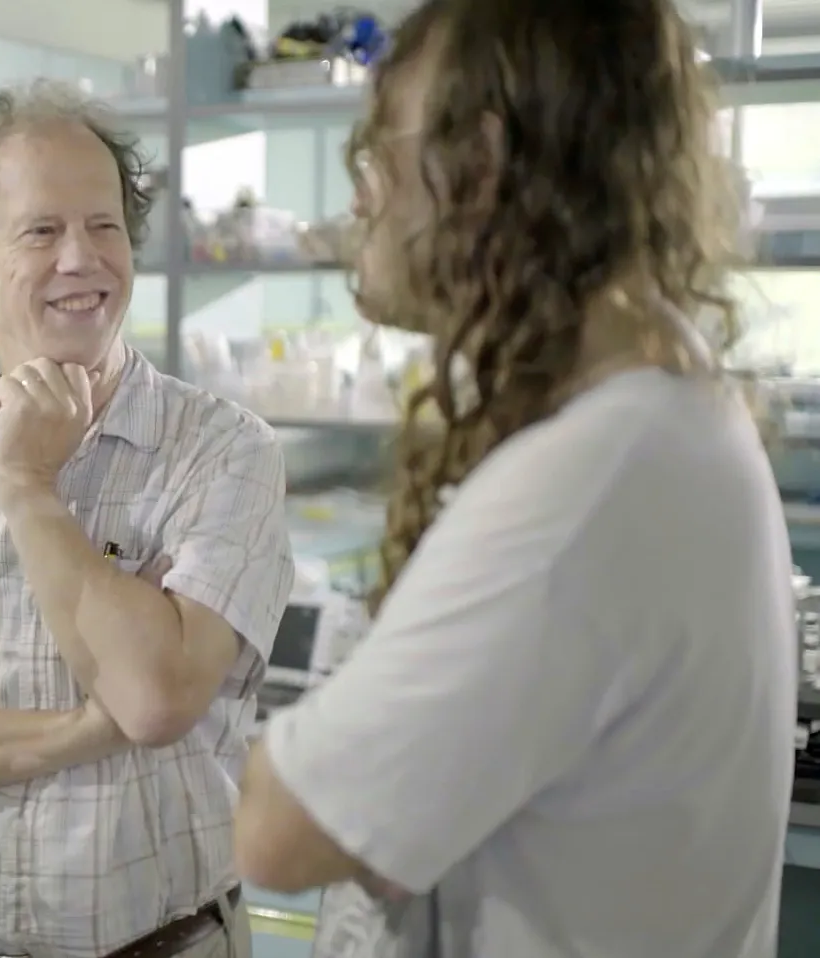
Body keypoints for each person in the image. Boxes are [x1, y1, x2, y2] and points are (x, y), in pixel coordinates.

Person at [230, 1, 794, 956]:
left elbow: (280, 829)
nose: (362, 198)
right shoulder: (663, 404)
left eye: (381, 152)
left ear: (481, 166)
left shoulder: (586, 482)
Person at [0, 81, 296, 958]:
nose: (84, 259)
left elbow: (153, 699)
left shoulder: (225, 451)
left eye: (104, 226)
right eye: (42, 231)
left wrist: (28, 483)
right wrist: (75, 732)